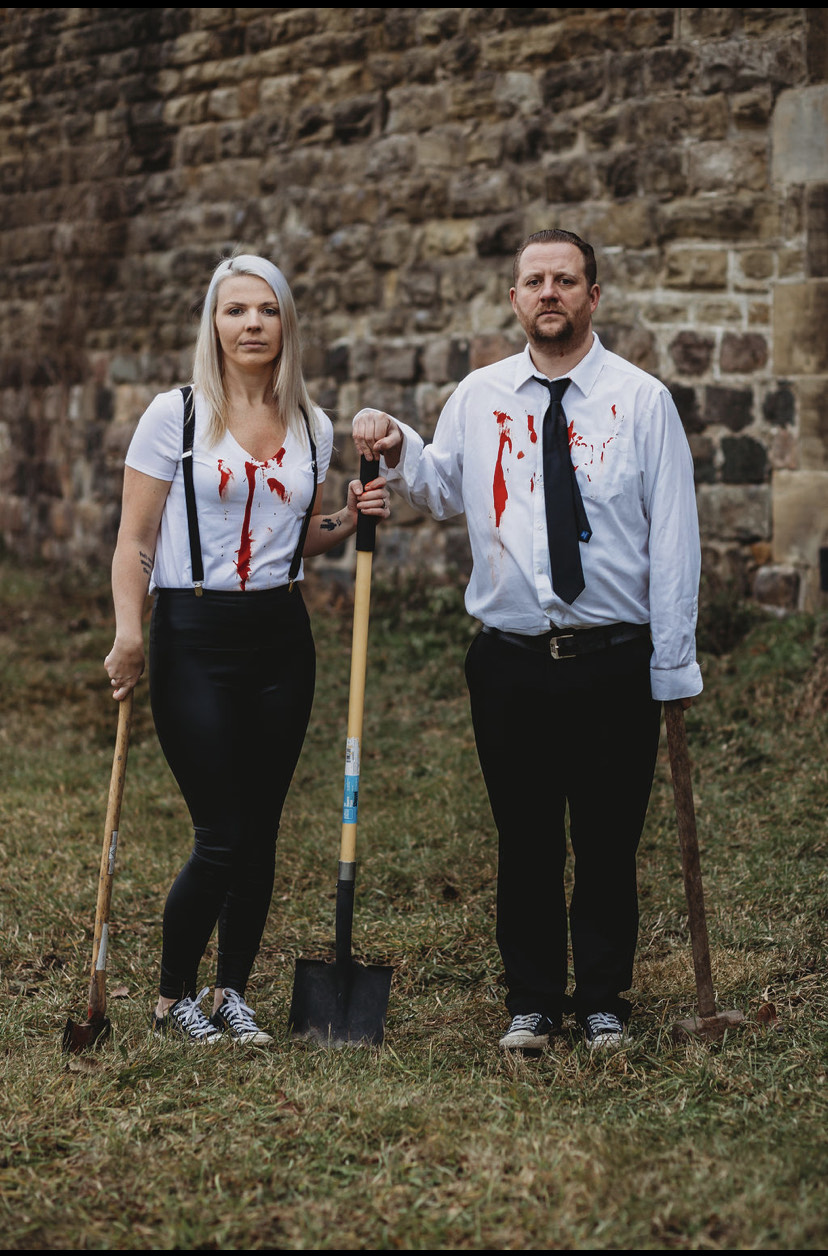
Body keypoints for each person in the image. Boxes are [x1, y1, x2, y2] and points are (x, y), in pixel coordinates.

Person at [352, 228, 702, 1053]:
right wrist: (401, 446)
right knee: (528, 837)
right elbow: (440, 490)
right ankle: (535, 1000)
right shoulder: (479, 398)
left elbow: (675, 539)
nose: (550, 293)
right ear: (514, 298)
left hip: (614, 659)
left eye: (566, 280)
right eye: (534, 281)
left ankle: (606, 999)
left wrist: (672, 661)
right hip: (509, 662)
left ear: (593, 296)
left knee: (610, 838)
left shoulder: (641, 402)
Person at [104, 253, 390, 1046]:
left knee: (260, 827)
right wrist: (130, 632)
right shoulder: (176, 416)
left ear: (286, 321)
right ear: (214, 323)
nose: (253, 324)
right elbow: (133, 542)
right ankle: (170, 1000)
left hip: (279, 636)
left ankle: (231, 990)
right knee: (222, 832)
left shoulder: (313, 424)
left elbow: (297, 539)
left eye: (266, 310)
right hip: (193, 635)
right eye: (236, 311)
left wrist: (352, 517)